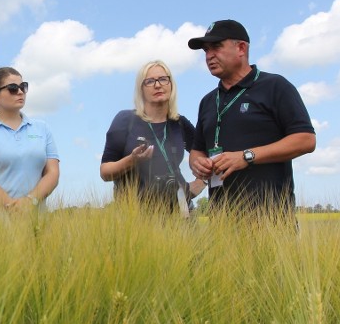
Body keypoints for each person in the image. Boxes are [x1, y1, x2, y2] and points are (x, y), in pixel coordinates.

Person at [187, 19, 315, 214]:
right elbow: (197, 150)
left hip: (271, 220)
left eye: (216, 47)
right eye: (206, 50)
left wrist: (246, 156)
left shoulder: (275, 86)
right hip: (220, 222)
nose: (209, 56)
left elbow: (306, 140)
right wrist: (197, 164)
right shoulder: (208, 101)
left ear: (241, 48)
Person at [100, 60, 205, 214]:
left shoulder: (179, 124)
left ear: (171, 85)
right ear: (141, 89)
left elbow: (206, 153)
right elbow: (105, 172)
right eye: (150, 81)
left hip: (181, 214)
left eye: (163, 79)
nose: (157, 85)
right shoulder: (125, 120)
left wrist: (199, 183)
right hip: (135, 218)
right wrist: (131, 161)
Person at [0, 67, 60, 210]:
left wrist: (30, 201)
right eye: (12, 88)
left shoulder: (43, 128)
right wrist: (13, 207)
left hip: (35, 221)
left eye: (23, 87)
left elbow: (53, 173)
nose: (20, 91)